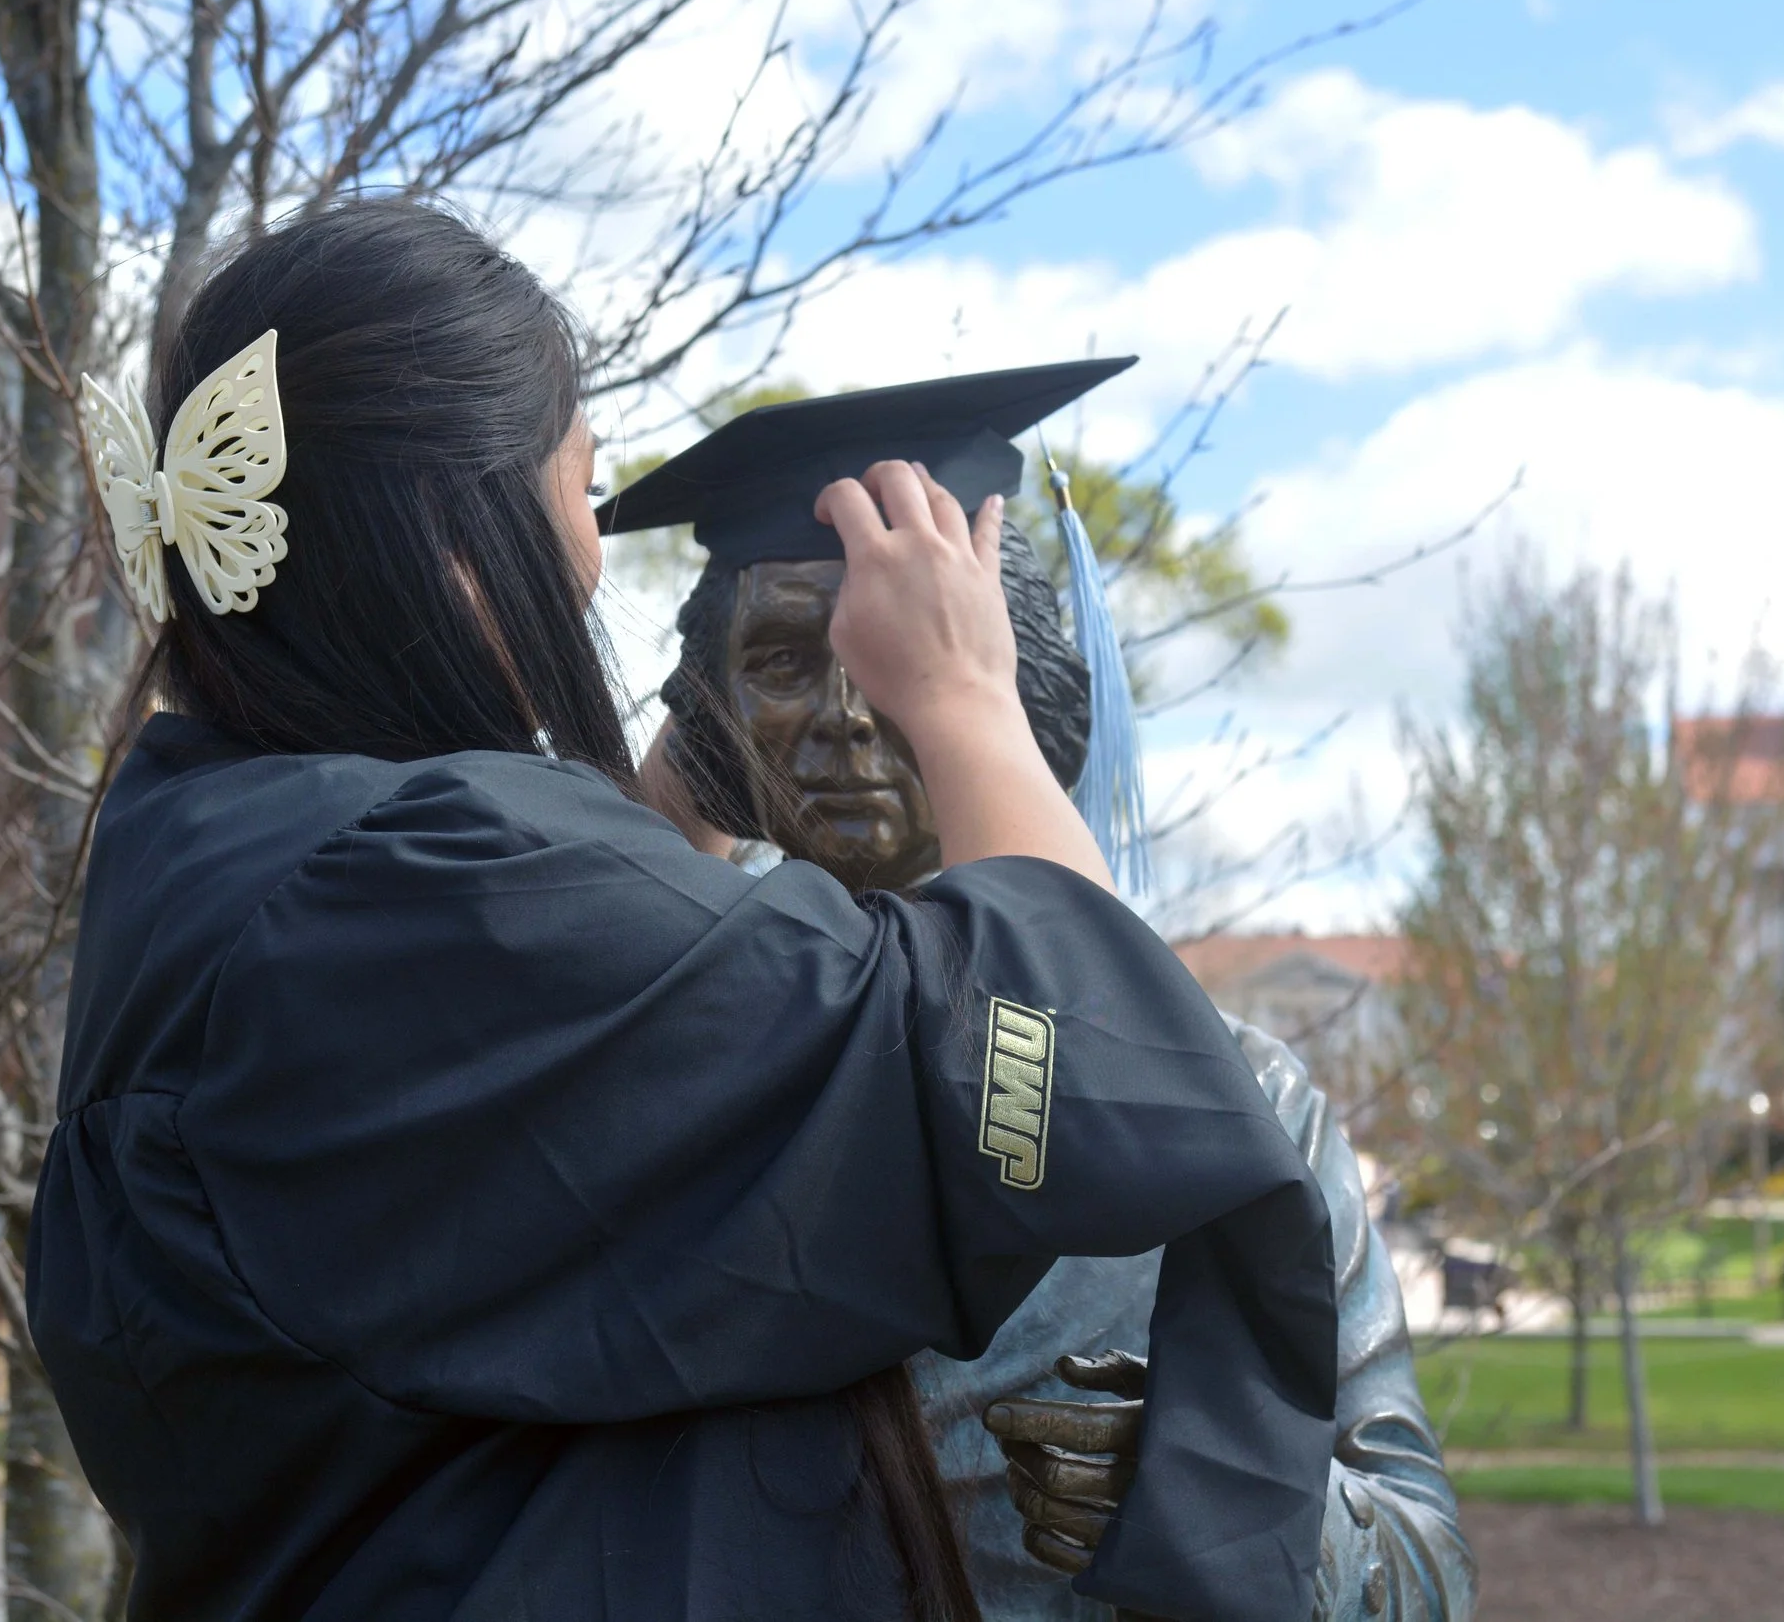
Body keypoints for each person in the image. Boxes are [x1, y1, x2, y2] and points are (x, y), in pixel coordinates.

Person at [28, 199, 1341, 1622]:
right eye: (581, 490)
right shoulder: (406, 890)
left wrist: (699, 764)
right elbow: (1058, 1054)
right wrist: (964, 696)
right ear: (454, 524)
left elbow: (595, 1052)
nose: (587, 559)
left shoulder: (219, 843)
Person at [626, 373, 1474, 1621]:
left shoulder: (1232, 1098)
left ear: (1015, 685)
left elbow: (1427, 1571)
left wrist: (1211, 1491)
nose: (849, 714)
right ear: (709, 712)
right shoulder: (642, 1057)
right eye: (787, 660)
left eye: (905, 654)